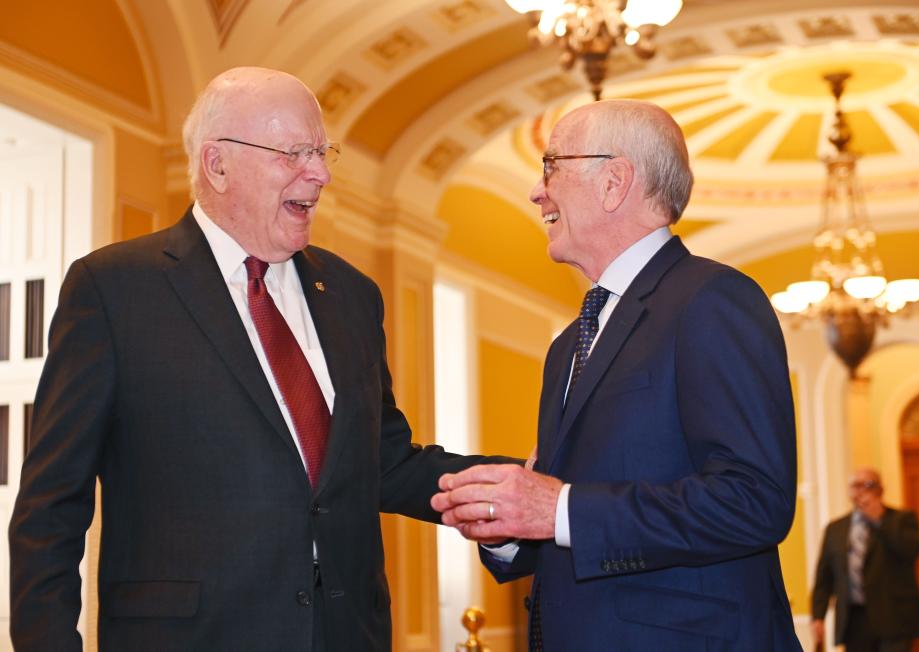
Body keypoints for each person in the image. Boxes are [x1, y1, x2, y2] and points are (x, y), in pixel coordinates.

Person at [8, 67, 505, 652]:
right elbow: (51, 507)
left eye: (321, 152)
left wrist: (514, 485)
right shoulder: (114, 289)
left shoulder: (351, 294)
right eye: (293, 153)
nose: (318, 174)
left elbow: (382, 463)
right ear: (217, 165)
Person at [431, 99, 801, 651]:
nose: (537, 192)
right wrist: (511, 528)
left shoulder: (712, 299)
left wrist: (556, 508)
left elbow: (753, 501)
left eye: (551, 166)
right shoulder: (566, 347)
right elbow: (578, 526)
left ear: (614, 182)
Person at [811, 467, 919, 652]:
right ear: (849, 491)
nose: (862, 490)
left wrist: (880, 520)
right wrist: (818, 616)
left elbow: (910, 552)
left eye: (869, 485)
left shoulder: (902, 519)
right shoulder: (835, 529)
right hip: (854, 619)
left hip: (894, 618)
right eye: (856, 485)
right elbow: (824, 577)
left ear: (880, 489)